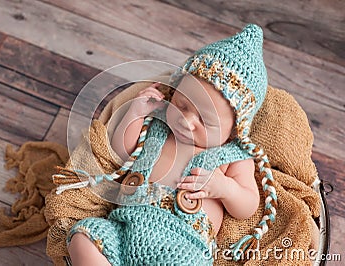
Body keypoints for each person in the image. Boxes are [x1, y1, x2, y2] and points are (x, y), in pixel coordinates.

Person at [65, 24, 278, 265]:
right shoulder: (158, 124)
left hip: (183, 245)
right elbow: (121, 152)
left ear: (234, 130)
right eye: (182, 104)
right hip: (125, 226)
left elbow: (247, 206)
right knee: (84, 236)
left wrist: (225, 188)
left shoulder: (233, 156)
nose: (186, 121)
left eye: (205, 121)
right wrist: (135, 114)